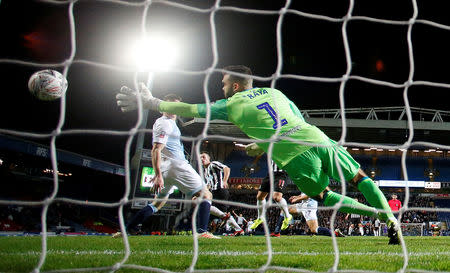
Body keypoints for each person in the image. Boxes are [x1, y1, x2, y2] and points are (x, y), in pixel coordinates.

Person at [116, 65, 401, 244]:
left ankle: (376, 212)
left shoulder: (230, 103)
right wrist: (263, 143)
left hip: (293, 155)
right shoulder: (274, 93)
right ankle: (390, 219)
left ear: (236, 86)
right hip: (315, 136)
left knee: (324, 196)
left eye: (225, 83)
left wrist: (152, 101)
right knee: (360, 178)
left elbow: (190, 110)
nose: (223, 87)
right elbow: (292, 118)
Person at [113, 94, 219, 239]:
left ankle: (127, 230)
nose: (174, 108)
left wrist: (160, 173)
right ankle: (202, 232)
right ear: (163, 107)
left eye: (176, 105)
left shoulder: (167, 122)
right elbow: (156, 149)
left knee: (157, 204)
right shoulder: (165, 123)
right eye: (170, 105)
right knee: (206, 194)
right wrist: (157, 175)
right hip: (177, 166)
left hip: (167, 169)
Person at [199, 152, 244, 236]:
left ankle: (238, 229)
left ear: (209, 159)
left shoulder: (213, 164)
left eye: (204, 157)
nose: (202, 159)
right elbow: (209, 184)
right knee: (218, 211)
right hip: (214, 192)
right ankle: (239, 230)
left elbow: (226, 168)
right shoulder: (205, 172)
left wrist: (224, 180)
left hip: (220, 190)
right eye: (200, 158)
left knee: (211, 208)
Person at [249, 159, 293, 233]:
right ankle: (260, 217)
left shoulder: (287, 147)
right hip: (271, 174)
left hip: (282, 174)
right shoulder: (271, 147)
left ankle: (288, 216)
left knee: (276, 197)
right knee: (260, 196)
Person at [271, 192, 341, 237]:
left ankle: (334, 233)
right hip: (303, 204)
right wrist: (297, 196)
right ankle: (277, 232)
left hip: (309, 206)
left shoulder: (311, 180)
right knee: (285, 209)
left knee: (314, 229)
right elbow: (304, 193)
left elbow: (311, 194)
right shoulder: (305, 179)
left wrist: (297, 199)